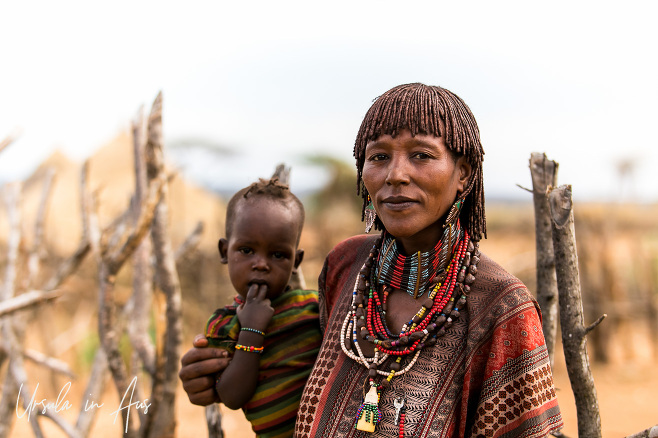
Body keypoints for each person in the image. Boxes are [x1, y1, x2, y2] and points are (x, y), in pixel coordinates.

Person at [180, 83, 563, 438]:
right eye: (378, 156)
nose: (395, 175)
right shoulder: (345, 266)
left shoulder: (502, 307)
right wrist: (212, 371)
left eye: (421, 155)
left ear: (463, 173)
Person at [182, 177, 322, 438]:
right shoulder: (223, 324)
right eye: (246, 250)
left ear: (296, 261)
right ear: (225, 251)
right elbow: (232, 397)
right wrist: (251, 330)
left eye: (278, 255)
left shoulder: (313, 308)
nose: (261, 264)